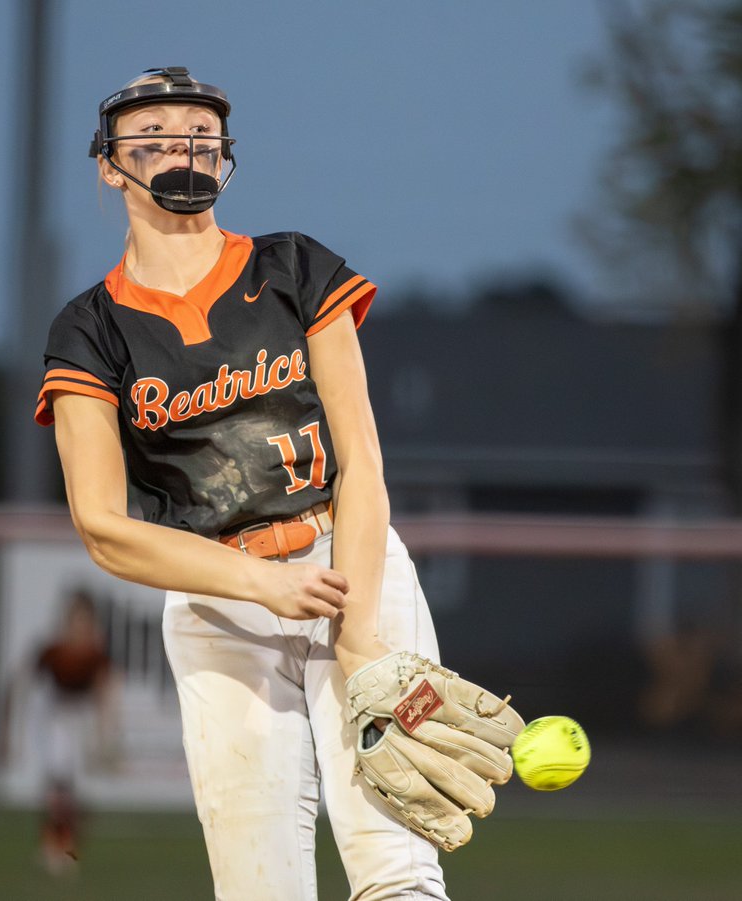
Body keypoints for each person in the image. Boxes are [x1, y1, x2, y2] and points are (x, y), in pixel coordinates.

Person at [34, 67, 458, 900]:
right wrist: (263, 583)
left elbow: (362, 463)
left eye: (199, 130)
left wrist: (360, 632)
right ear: (108, 164)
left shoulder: (293, 267)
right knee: (258, 886)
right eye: (153, 133)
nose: (181, 145)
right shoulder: (90, 329)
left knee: (398, 869)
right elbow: (103, 527)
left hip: (350, 562)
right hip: (217, 598)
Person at [0, 588, 117, 875]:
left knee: (74, 791)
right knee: (58, 787)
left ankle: (64, 846)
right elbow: (19, 684)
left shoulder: (96, 656)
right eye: (75, 620)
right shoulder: (53, 652)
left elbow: (103, 698)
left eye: (85, 621)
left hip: (80, 723)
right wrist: (9, 732)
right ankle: (56, 847)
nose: (79, 628)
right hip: (54, 719)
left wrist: (105, 740)